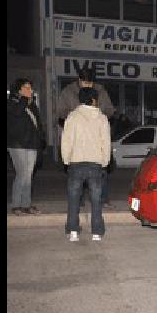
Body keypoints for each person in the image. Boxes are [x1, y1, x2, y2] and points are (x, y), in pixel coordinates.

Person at [57, 68, 117, 208]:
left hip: (95, 134)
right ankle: (78, 200)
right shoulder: (68, 91)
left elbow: (110, 110)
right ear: (79, 80)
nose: (88, 86)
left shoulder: (100, 91)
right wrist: (77, 115)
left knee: (101, 172)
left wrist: (95, 114)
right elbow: (60, 111)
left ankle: (102, 199)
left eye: (90, 83)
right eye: (85, 82)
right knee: (77, 173)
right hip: (77, 135)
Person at [61, 87, 112, 242]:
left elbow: (66, 141)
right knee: (96, 200)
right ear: (94, 100)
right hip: (95, 164)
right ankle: (96, 232)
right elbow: (106, 142)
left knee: (73, 199)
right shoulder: (102, 118)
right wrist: (105, 161)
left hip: (76, 163)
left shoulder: (72, 117)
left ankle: (73, 232)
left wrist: (66, 159)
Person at [6, 77, 44, 216]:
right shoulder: (12, 102)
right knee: (22, 174)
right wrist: (24, 99)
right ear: (18, 89)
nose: (30, 90)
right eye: (26, 88)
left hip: (31, 143)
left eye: (30, 88)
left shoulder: (31, 104)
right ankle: (16, 205)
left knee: (28, 176)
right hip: (17, 144)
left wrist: (41, 138)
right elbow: (17, 113)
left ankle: (26, 204)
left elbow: (37, 122)